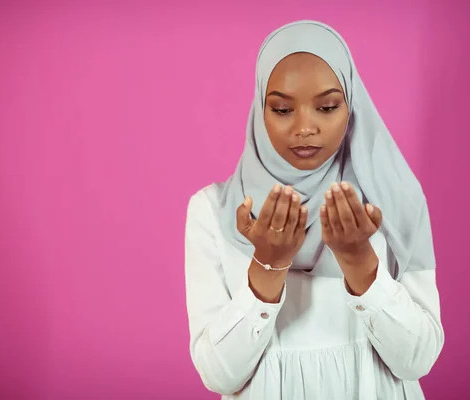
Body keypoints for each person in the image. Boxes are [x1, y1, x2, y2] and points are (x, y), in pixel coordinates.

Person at [184, 20, 444, 400]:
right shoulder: (215, 211)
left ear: (350, 105)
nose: (305, 128)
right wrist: (267, 267)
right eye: (282, 109)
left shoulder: (393, 200)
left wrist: (360, 263)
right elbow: (218, 375)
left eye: (326, 106)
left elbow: (417, 361)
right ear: (260, 109)